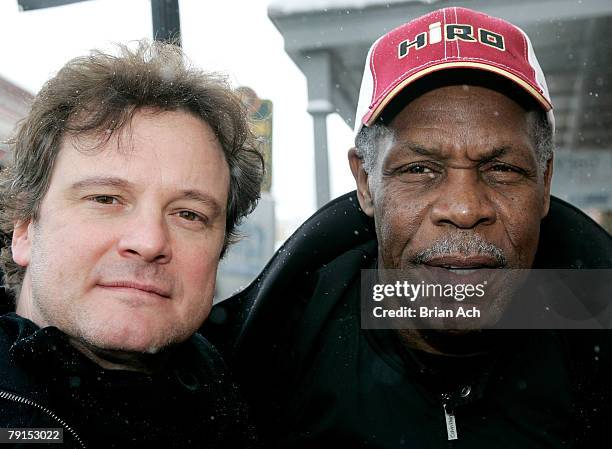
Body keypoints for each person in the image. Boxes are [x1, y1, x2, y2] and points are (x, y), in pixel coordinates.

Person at [202, 7, 612, 449]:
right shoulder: (258, 377)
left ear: (545, 182)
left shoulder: (590, 357)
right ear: (365, 183)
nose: (463, 207)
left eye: (502, 169)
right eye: (419, 169)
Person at [0, 39, 263, 448]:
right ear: (25, 230)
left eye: (188, 214)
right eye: (105, 199)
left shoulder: (257, 403)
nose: (149, 241)